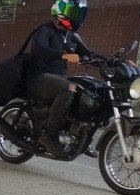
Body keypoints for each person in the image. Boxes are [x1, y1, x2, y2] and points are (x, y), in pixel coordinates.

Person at [26, 0, 93, 157]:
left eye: (80, 13)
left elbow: (89, 53)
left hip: (58, 77)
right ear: (59, 11)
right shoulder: (44, 30)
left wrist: (114, 61)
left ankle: (82, 137)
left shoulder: (71, 35)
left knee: (89, 90)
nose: (78, 17)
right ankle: (49, 136)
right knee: (69, 87)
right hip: (39, 77)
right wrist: (63, 54)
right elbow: (41, 49)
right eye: (74, 12)